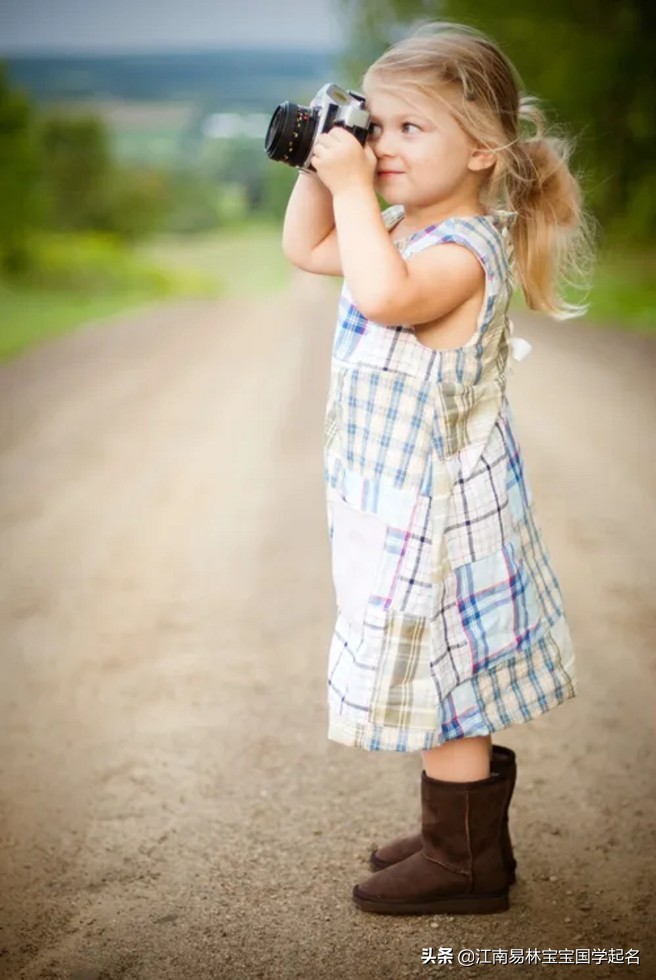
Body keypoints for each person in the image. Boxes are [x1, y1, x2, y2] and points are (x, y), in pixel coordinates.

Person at [281, 20, 594, 916]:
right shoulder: (402, 230)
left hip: (445, 512)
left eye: (411, 129)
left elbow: (380, 296)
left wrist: (349, 185)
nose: (381, 148)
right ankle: (459, 832)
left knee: (445, 675)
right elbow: (308, 254)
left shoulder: (461, 251)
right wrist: (319, 170)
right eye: (374, 126)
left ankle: (467, 867)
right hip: (399, 501)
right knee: (429, 662)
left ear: (484, 151)